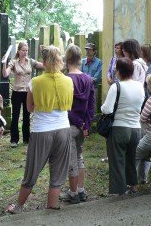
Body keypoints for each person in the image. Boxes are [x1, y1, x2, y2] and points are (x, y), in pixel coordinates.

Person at [6, 46, 73, 214]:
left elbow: (29, 108)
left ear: (43, 62)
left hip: (42, 130)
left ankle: (19, 206)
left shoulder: (35, 82)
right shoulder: (68, 81)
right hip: (64, 129)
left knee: (32, 170)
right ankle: (51, 205)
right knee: (58, 171)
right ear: (59, 61)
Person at [101, 58, 145, 195]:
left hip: (119, 128)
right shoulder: (140, 86)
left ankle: (119, 191)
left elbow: (107, 109)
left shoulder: (117, 86)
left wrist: (102, 107)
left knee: (117, 161)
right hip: (136, 129)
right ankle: (133, 186)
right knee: (131, 159)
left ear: (119, 71)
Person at [60, 44, 95, 204]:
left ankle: (73, 193)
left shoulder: (65, 80)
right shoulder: (88, 79)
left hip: (68, 124)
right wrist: (86, 125)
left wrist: (80, 123)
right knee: (79, 157)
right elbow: (91, 105)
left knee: (71, 160)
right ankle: (81, 190)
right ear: (80, 59)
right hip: (82, 127)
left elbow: (64, 106)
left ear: (67, 59)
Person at [2, 42, 43, 147]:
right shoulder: (13, 62)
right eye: (23, 50)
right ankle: (14, 140)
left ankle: (26, 139)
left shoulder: (31, 61)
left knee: (26, 115)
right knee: (15, 116)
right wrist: (4, 63)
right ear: (18, 51)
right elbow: (5, 74)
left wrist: (46, 54)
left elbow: (43, 65)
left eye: (26, 50)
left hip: (28, 92)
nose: (25, 52)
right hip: (17, 92)